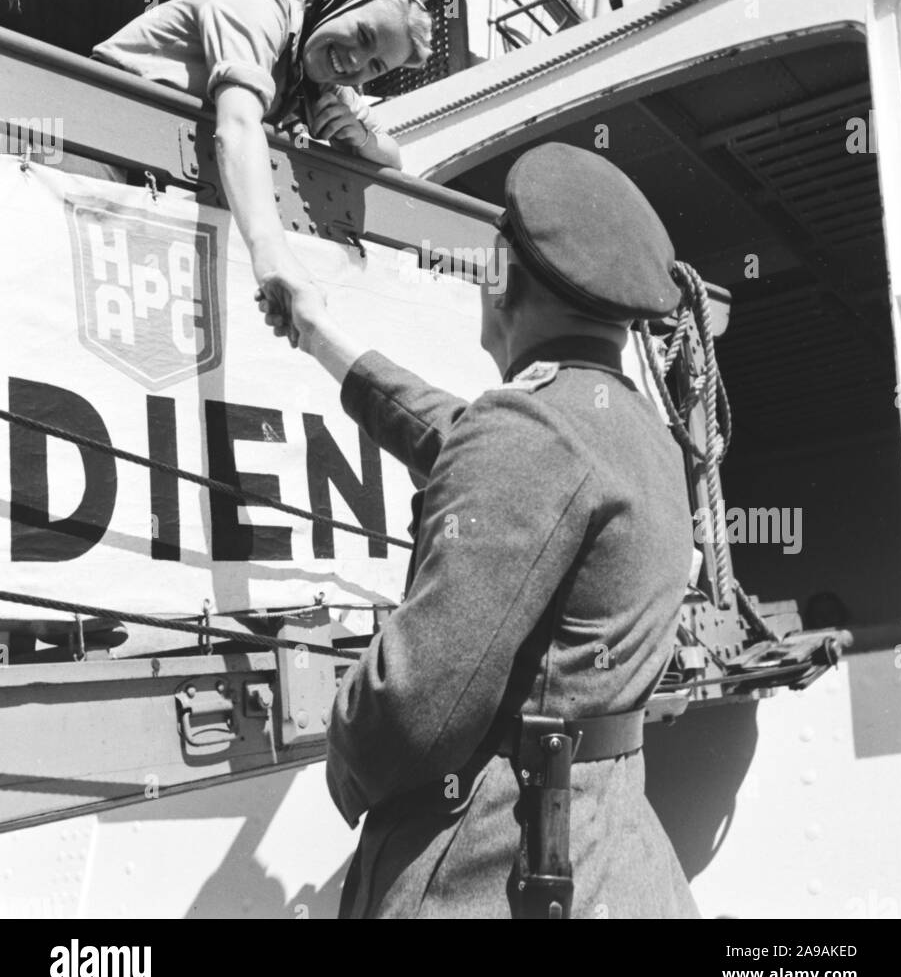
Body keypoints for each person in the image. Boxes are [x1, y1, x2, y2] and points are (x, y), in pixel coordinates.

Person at [257, 141, 699, 920]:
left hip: (499, 873)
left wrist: (344, 764)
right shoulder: (632, 431)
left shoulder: (529, 429)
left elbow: (414, 709)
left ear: (499, 280)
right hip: (615, 862)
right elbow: (460, 437)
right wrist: (318, 332)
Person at [93, 0, 432, 302]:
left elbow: (392, 159)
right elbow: (238, 124)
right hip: (98, 138)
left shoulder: (317, 80)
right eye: (363, 34)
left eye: (374, 66)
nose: (356, 59)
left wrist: (360, 138)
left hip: (148, 181)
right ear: (338, 2)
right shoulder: (260, 9)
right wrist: (271, 255)